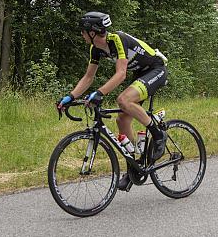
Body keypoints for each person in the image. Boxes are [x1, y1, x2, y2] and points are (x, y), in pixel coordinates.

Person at [56, 11, 168, 191]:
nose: (81, 35)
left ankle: (158, 134)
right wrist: (70, 96)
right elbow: (88, 77)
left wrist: (99, 93)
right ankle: (135, 166)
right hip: (140, 73)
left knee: (123, 100)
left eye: (83, 31)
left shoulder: (117, 39)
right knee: (122, 119)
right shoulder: (95, 49)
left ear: (92, 32)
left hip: (155, 69)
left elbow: (121, 73)